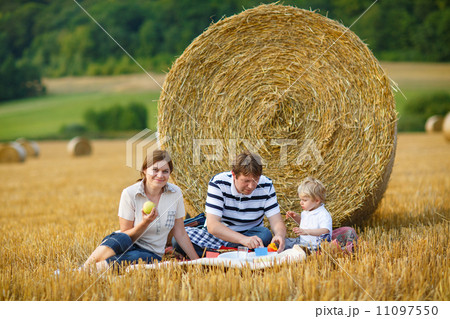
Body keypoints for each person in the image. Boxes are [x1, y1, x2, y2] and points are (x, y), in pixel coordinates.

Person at [81, 150, 199, 271]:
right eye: (155, 170)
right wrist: (145, 223)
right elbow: (126, 234)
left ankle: (85, 272)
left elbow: (180, 232)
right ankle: (82, 269)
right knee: (121, 238)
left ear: (170, 173)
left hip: (151, 253)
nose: (160, 175)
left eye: (165, 171)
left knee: (133, 257)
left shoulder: (175, 193)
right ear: (144, 170)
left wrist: (197, 261)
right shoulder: (129, 193)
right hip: (128, 242)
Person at [174, 151, 286, 256]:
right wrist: (243, 240)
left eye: (255, 180)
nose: (251, 186)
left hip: (251, 235)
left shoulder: (266, 184)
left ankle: (217, 254)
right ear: (234, 175)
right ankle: (247, 253)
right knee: (178, 241)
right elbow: (213, 226)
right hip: (221, 235)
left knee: (265, 234)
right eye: (246, 181)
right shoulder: (218, 183)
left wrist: (279, 235)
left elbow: (276, 221)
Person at [285, 177, 332, 250]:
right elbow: (305, 224)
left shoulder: (323, 214)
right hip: (303, 242)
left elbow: (325, 230)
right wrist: (295, 217)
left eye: (304, 200)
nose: (301, 203)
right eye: (300, 199)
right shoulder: (306, 211)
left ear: (317, 201)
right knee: (284, 242)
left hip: (315, 246)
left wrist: (306, 232)